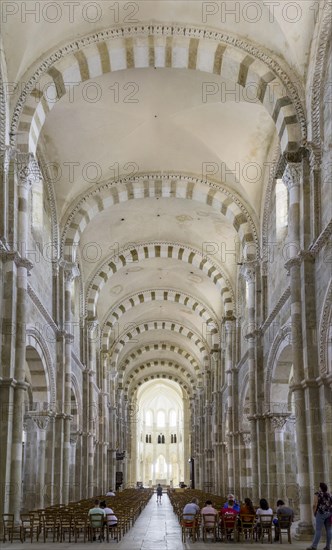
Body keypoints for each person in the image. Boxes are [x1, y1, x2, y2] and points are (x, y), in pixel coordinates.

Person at [307, 482, 332, 550]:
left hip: (320, 513)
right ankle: (328, 546)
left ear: (320, 488)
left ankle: (314, 546)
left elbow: (315, 504)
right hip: (329, 513)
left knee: (318, 530)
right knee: (329, 530)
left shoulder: (317, 494)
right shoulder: (329, 494)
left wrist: (314, 513)